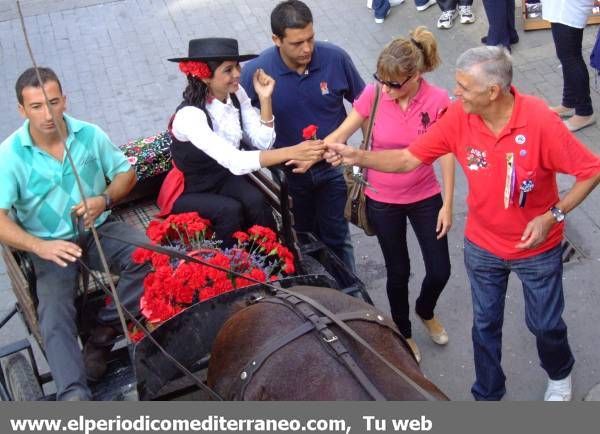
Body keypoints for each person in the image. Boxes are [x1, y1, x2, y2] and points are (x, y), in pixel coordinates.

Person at [325, 46, 600, 401]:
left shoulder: (540, 122)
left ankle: (559, 373)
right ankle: (487, 395)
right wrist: (358, 155)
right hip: (482, 247)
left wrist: (553, 215)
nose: (455, 93)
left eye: (464, 87)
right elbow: (410, 158)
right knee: (484, 326)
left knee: (545, 325)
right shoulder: (459, 116)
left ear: (492, 92)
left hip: (537, 250)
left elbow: (591, 171)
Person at [0, 67, 148, 400]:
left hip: (99, 229)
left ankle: (102, 334)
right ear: (22, 110)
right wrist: (39, 246)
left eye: (53, 102)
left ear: (64, 100)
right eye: (36, 106)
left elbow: (126, 173)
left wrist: (104, 198)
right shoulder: (9, 155)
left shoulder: (90, 135)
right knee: (53, 314)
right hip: (49, 246)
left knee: (149, 254)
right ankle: (73, 393)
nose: (47, 113)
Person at [324, 27, 454, 363]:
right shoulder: (375, 94)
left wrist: (449, 204)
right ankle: (404, 330)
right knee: (398, 270)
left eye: (393, 83)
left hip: (426, 195)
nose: (385, 88)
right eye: (380, 79)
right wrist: (322, 149)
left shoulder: (438, 100)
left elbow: (448, 152)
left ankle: (426, 309)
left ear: (415, 76)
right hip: (382, 199)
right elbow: (341, 132)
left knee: (440, 269)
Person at [157, 37, 326, 246]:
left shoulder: (236, 93)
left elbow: (263, 142)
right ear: (204, 76)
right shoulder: (190, 116)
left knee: (256, 202)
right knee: (229, 211)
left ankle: (276, 264)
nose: (238, 73)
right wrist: (292, 151)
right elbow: (235, 161)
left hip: (222, 178)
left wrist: (265, 98)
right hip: (191, 188)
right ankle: (236, 272)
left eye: (237, 66)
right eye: (228, 70)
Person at [241, 0, 365, 271]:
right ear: (276, 39)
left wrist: (365, 156)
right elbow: (244, 131)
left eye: (310, 39)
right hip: (289, 176)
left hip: (334, 167)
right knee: (303, 237)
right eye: (297, 43)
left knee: (338, 236)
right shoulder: (254, 72)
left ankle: (351, 295)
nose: (307, 49)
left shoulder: (336, 58)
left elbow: (365, 105)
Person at [543, 0, 596, 132]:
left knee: (571, 58)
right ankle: (569, 101)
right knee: (568, 57)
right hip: (563, 7)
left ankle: (584, 112)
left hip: (568, 7)